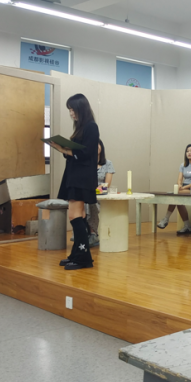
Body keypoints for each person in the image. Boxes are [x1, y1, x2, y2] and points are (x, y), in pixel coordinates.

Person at [49, 93, 99, 270]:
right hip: (74, 175)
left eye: (72, 109)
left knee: (74, 215)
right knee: (79, 215)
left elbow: (86, 154)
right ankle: (77, 254)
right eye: (69, 110)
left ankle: (84, 258)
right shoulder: (81, 127)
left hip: (82, 178)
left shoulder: (91, 127)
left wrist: (64, 149)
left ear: (81, 109)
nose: (71, 113)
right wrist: (63, 149)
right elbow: (76, 153)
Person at [157, 144, 191, 235]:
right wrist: (179, 185)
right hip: (183, 188)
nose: (189, 153)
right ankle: (187, 226)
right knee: (177, 199)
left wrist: (183, 187)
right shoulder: (183, 165)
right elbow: (179, 179)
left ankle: (166, 219)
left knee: (176, 194)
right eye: (187, 151)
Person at [80, 140, 115, 247]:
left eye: (97, 144)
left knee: (91, 202)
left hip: (100, 194)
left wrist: (93, 190)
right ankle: (80, 232)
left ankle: (93, 233)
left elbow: (106, 185)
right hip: (87, 192)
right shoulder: (86, 163)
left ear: (101, 147)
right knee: (79, 200)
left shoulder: (108, 163)